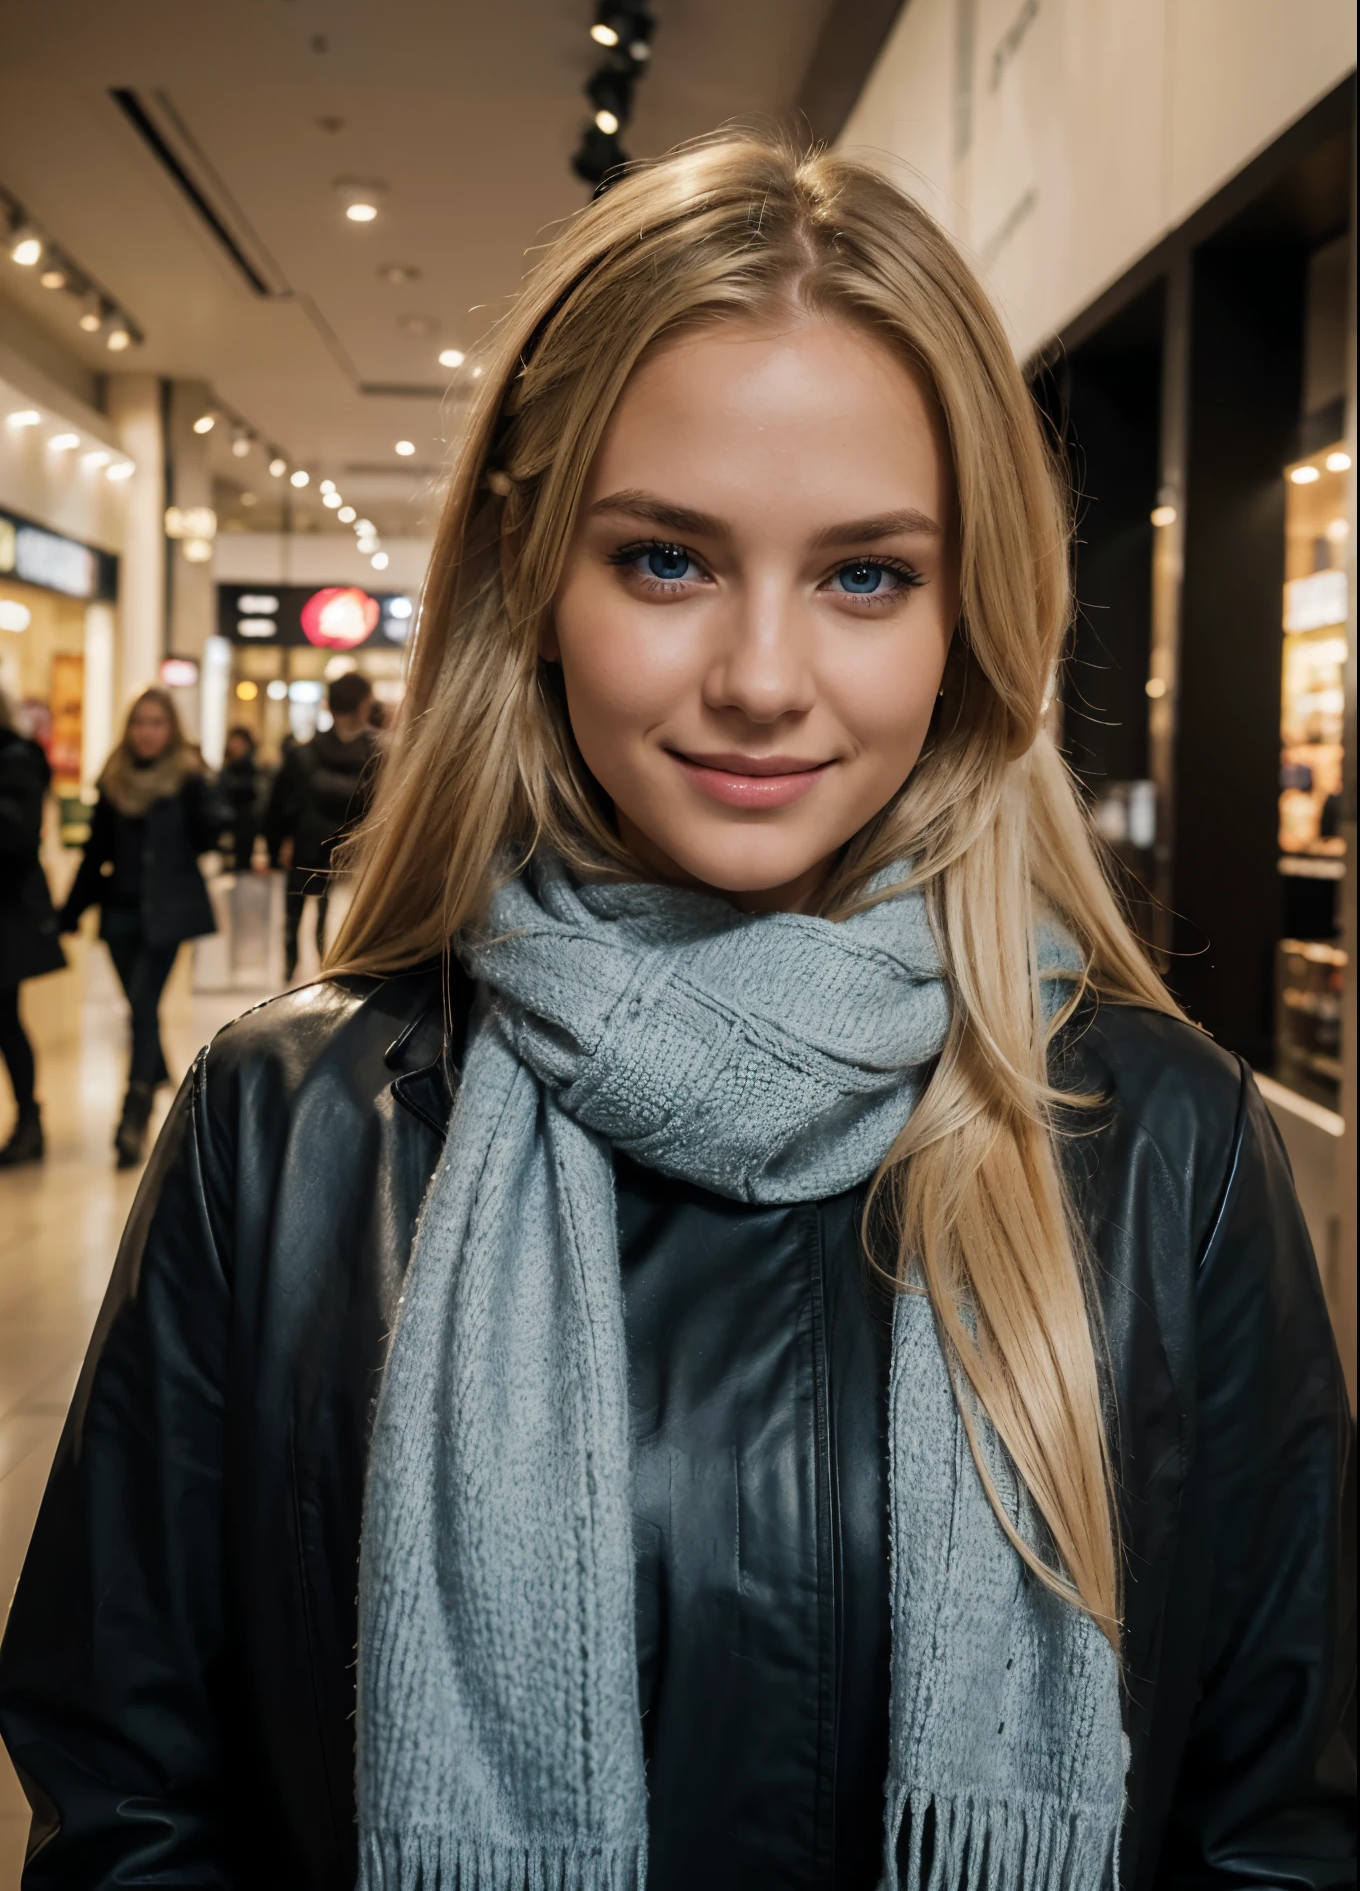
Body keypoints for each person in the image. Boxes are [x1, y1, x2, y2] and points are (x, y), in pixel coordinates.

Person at [0, 138, 1352, 1889]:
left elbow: (1280, 1825)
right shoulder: (293, 1128)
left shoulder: (1161, 1139)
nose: (764, 678)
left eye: (866, 574)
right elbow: (132, 1806)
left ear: (972, 619)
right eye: (665, 561)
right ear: (534, 578)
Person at [56, 687, 227, 1169]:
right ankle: (155, 1075)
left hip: (167, 914)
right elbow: (96, 854)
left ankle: (131, 1116)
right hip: (120, 915)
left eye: (156, 723)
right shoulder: (114, 781)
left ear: (171, 730)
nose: (147, 732)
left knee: (144, 1003)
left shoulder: (187, 780)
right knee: (138, 1004)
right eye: (139, 723)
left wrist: (208, 791)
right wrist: (68, 914)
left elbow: (211, 834)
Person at [265, 670, 379, 980]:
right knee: (337, 913)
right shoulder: (378, 754)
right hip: (353, 850)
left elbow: (280, 806)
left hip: (304, 843)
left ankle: (289, 971)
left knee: (295, 910)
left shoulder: (304, 753)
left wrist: (276, 846)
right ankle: (328, 971)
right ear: (364, 705)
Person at [0, 691, 64, 1165]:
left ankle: (29, 1119)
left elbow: (20, 840)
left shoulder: (17, 761)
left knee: (4, 1018)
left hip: (7, 911)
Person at [219, 722, 264, 872]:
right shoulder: (226, 770)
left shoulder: (253, 771)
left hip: (245, 828)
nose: (235, 746)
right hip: (227, 827)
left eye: (240, 743)